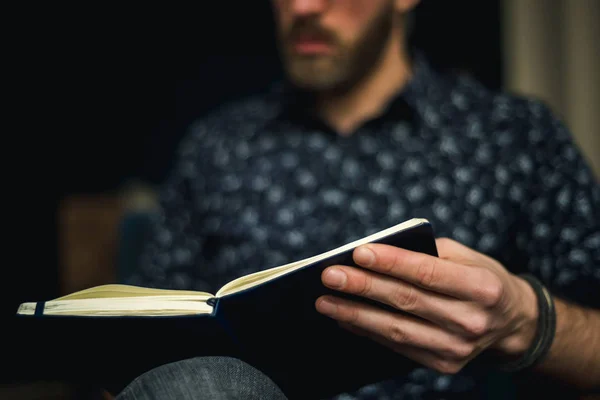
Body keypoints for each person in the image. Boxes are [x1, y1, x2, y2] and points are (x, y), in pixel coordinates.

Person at [118, 0, 600, 398]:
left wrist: (525, 319)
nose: (302, 7)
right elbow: (141, 346)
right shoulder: (216, 147)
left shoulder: (514, 136)